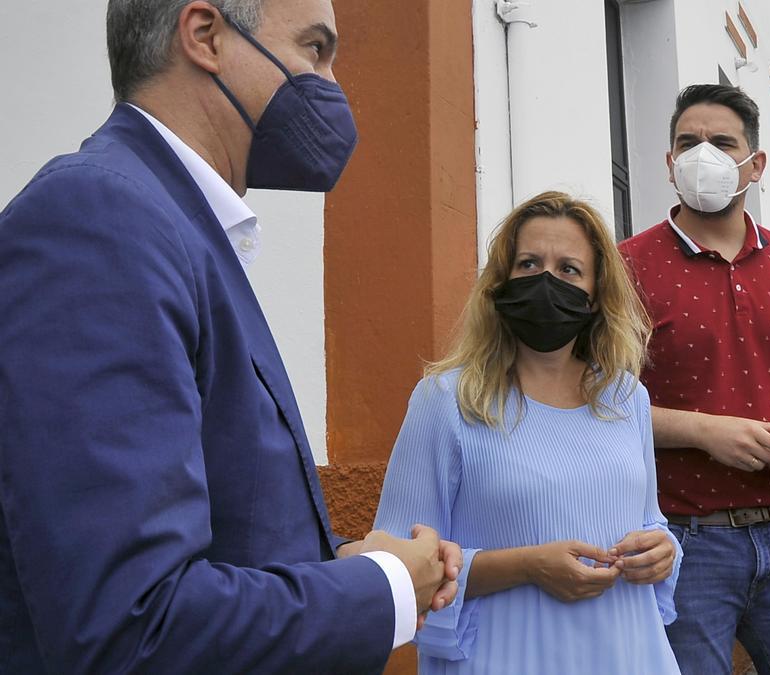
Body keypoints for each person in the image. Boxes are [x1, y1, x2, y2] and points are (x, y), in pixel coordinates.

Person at [0, 2, 460, 672]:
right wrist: (382, 587)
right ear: (205, 36)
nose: (331, 86)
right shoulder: (100, 220)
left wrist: (334, 565)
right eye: (314, 49)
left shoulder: (169, 223)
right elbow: (132, 626)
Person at [374, 191, 682, 674]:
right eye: (529, 263)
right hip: (504, 657)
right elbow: (402, 562)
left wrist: (663, 552)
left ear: (597, 292)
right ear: (501, 282)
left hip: (629, 654)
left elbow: (649, 520)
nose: (546, 281)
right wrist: (528, 565)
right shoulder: (447, 400)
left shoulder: (627, 398)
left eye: (568, 269)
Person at [619, 83, 770, 674]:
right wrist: (705, 432)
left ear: (755, 164)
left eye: (722, 143)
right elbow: (592, 405)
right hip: (681, 541)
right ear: (671, 164)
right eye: (688, 143)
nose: (705, 155)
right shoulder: (625, 268)